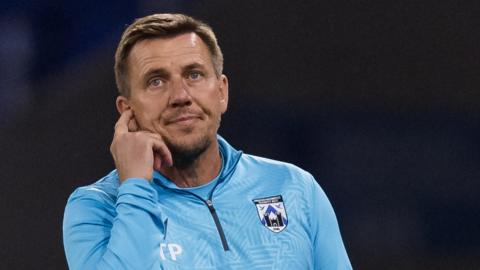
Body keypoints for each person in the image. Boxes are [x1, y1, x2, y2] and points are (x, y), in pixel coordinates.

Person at [63, 13, 352, 270]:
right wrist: (136, 187)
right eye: (156, 81)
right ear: (128, 111)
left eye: (194, 74)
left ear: (222, 92)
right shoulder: (97, 207)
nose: (180, 96)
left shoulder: (295, 188)